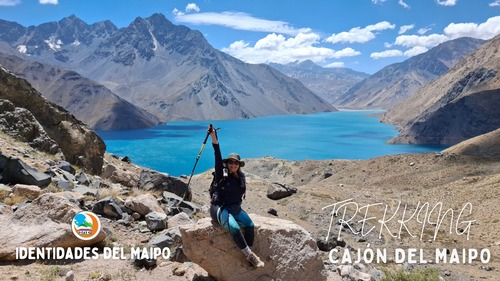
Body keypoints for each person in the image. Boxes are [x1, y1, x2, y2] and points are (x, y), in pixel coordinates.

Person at [208, 125, 265, 268]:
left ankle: (249, 254)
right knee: (234, 228)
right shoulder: (222, 174)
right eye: (230, 162)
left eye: (236, 163)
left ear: (239, 165)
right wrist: (214, 137)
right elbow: (217, 153)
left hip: (234, 207)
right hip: (219, 207)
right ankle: (250, 256)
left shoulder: (241, 178)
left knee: (250, 225)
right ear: (226, 164)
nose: (233, 164)